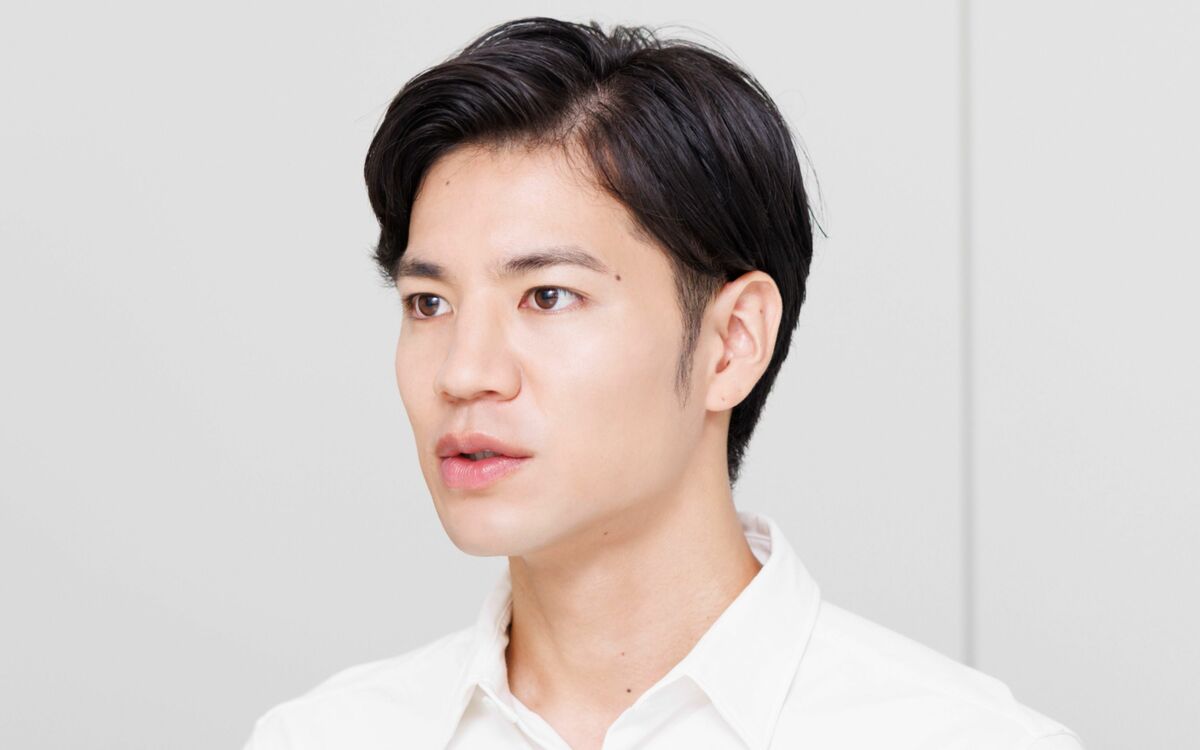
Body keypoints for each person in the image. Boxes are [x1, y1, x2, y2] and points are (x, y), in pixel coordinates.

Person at [242, 16, 1083, 750]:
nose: (464, 373)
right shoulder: (324, 737)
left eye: (548, 296)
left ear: (732, 343)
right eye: (429, 303)